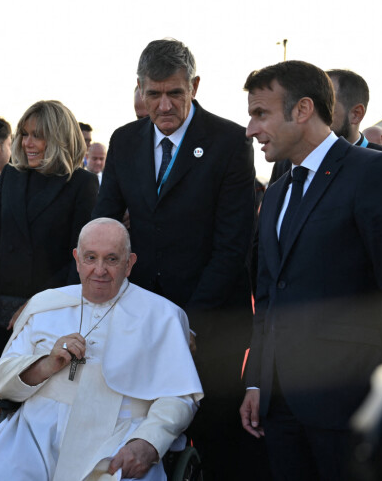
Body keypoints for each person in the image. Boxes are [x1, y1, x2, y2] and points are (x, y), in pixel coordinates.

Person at [240, 60, 382, 480]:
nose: (250, 129)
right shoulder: (276, 192)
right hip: (281, 405)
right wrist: (256, 382)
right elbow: (268, 294)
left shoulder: (375, 172)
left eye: (260, 113)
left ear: (302, 110)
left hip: (353, 404)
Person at [93, 38, 255, 479]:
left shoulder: (228, 141)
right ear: (140, 90)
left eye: (176, 94)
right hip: (143, 319)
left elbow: (232, 245)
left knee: (215, 438)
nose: (164, 105)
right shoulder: (125, 141)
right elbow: (104, 225)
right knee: (144, 433)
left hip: (211, 320)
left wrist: (189, 322)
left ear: (195, 87)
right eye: (154, 94)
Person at [0, 218, 203, 481]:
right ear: (77, 259)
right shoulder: (44, 305)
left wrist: (148, 442)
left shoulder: (163, 316)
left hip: (119, 436)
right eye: (90, 258)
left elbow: (180, 397)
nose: (99, 270)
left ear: (130, 263)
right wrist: (46, 364)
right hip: (36, 434)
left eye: (111, 259)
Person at [0, 100, 99, 414]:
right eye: (24, 134)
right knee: (0, 397)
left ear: (58, 138)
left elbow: (79, 259)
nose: (27, 143)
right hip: (1, 308)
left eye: (37, 135)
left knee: (37, 404)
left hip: (49, 313)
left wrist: (39, 304)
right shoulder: (12, 177)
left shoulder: (82, 184)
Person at [268, 70, 382, 203]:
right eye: (306, 106)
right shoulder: (288, 164)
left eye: (324, 107)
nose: (308, 115)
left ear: (356, 115)